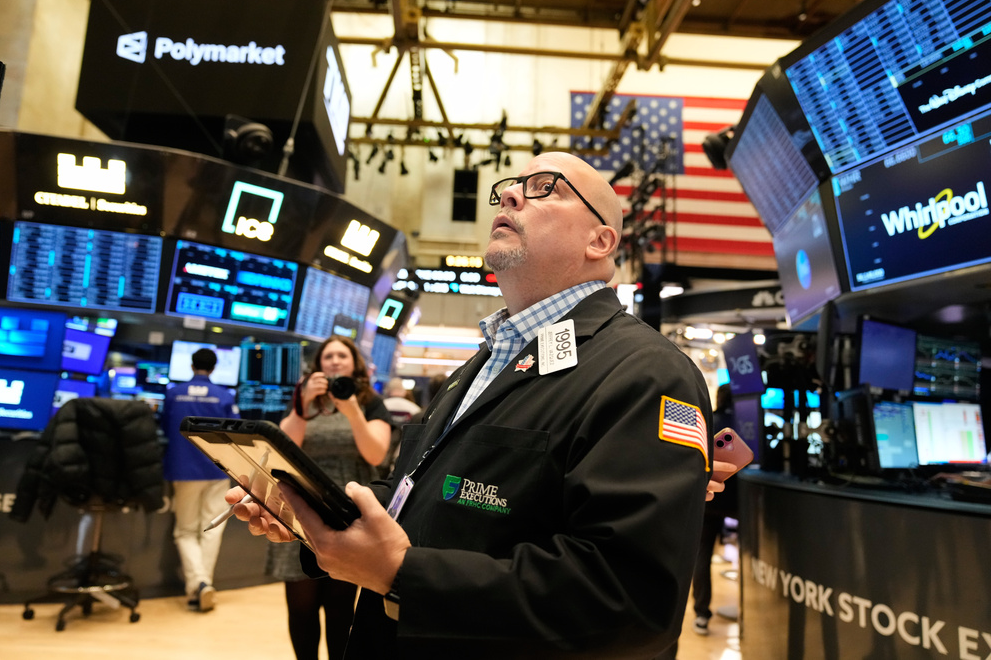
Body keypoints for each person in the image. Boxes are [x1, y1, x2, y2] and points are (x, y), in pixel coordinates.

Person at [231, 152, 737, 658]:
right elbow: (421, 494)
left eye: (545, 187)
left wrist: (402, 574)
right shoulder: (484, 363)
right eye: (512, 186)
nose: (512, 193)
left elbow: (634, 603)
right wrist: (315, 516)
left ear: (599, 241)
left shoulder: (647, 372)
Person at [269, 335, 392, 660]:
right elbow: (284, 447)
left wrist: (352, 410)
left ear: (355, 364)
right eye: (328, 356)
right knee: (301, 608)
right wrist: (302, 403)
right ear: (318, 365)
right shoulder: (304, 399)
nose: (335, 361)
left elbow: (376, 454)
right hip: (300, 511)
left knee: (341, 608)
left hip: (347, 510)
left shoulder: (369, 401)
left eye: (342, 355)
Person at [160, 347, 240, 613]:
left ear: (191, 365)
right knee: (212, 528)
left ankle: (199, 584)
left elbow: (163, 429)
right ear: (215, 368)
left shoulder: (172, 394)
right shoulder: (225, 396)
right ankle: (202, 585)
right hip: (218, 470)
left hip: (183, 470)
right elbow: (237, 434)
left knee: (185, 530)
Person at [692, 383, 739, 636]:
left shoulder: (708, 422)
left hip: (709, 500)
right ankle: (749, 609)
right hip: (742, 501)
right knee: (752, 555)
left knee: (702, 555)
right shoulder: (748, 422)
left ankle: (701, 614)